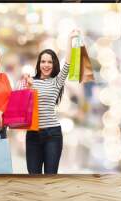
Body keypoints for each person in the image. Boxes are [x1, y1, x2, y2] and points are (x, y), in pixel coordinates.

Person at [23, 29, 80, 174]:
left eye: (50, 62)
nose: (46, 65)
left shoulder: (56, 82)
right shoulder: (30, 81)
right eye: (43, 61)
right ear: (39, 64)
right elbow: (23, 108)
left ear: (54, 64)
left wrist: (70, 39)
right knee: (33, 175)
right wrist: (28, 87)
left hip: (52, 135)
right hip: (32, 135)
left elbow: (68, 63)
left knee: (50, 176)